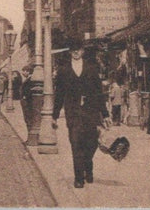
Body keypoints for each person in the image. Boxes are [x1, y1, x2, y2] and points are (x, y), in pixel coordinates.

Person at [53, 38, 111, 188]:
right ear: (70, 52)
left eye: (78, 49)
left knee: (91, 143)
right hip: (73, 113)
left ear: (83, 51)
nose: (76, 52)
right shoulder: (63, 70)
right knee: (76, 143)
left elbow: (99, 93)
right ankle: (79, 178)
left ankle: (88, 165)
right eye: (73, 49)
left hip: (91, 112)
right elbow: (59, 94)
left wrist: (105, 114)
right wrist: (54, 115)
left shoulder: (91, 68)